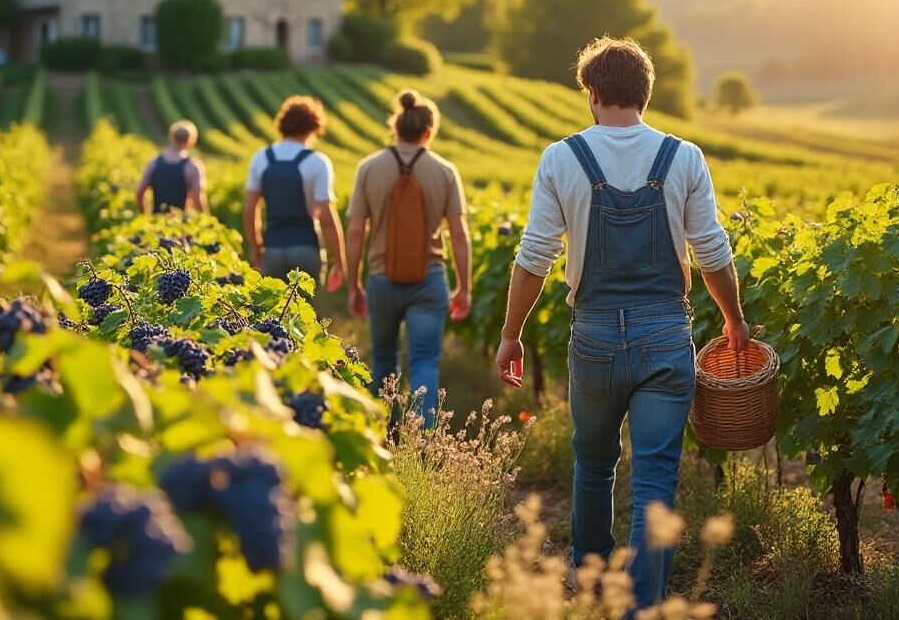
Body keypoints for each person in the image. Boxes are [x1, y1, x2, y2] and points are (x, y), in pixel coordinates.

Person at [494, 37, 748, 610]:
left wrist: (511, 335)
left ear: (593, 93)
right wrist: (734, 319)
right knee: (655, 478)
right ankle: (639, 607)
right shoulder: (683, 157)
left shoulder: (563, 158)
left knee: (593, 463)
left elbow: (535, 255)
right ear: (645, 94)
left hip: (595, 338)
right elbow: (711, 250)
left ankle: (591, 591)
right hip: (665, 336)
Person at [346, 89, 472, 425]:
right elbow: (459, 233)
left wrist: (353, 284)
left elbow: (356, 231)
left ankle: (384, 436)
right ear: (428, 132)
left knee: (384, 360)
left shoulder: (368, 168)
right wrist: (464, 286)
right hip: (429, 280)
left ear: (395, 128)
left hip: (381, 279)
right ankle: (424, 441)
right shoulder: (445, 171)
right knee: (425, 361)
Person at [243, 96, 345, 291]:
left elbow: (250, 209)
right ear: (314, 127)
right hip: (305, 248)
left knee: (272, 317)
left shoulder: (261, 158)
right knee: (304, 317)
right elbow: (326, 217)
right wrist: (340, 262)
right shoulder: (317, 162)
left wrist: (256, 248)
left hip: (272, 248)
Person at [136, 120, 208, 214]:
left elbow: (140, 192)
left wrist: (143, 213)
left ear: (171, 137)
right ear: (190, 141)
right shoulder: (193, 166)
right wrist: (206, 220)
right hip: (181, 222)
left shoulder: (154, 163)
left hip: (157, 220)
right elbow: (197, 198)